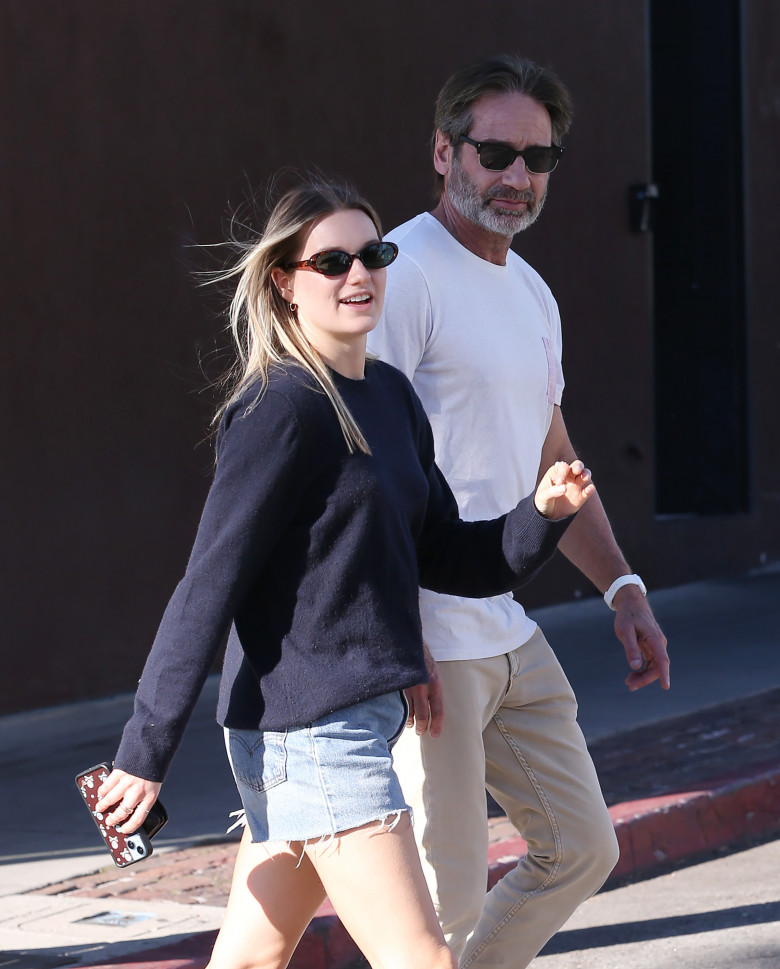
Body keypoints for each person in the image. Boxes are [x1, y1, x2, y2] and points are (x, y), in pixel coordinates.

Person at [93, 176, 595, 969]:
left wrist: (542, 513)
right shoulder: (280, 409)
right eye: (332, 262)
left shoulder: (391, 397)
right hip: (314, 731)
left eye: (373, 255)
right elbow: (208, 585)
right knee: (421, 957)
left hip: (342, 718)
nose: (359, 275)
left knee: (253, 955)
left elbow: (447, 555)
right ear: (285, 283)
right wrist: (143, 750)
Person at [365, 54, 672, 968]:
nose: (516, 175)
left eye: (537, 158)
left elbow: (555, 459)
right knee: (443, 894)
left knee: (583, 844)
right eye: (494, 151)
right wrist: (393, 631)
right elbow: (363, 464)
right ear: (442, 151)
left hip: (503, 624)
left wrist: (622, 585)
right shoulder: (401, 272)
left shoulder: (531, 292)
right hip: (426, 634)